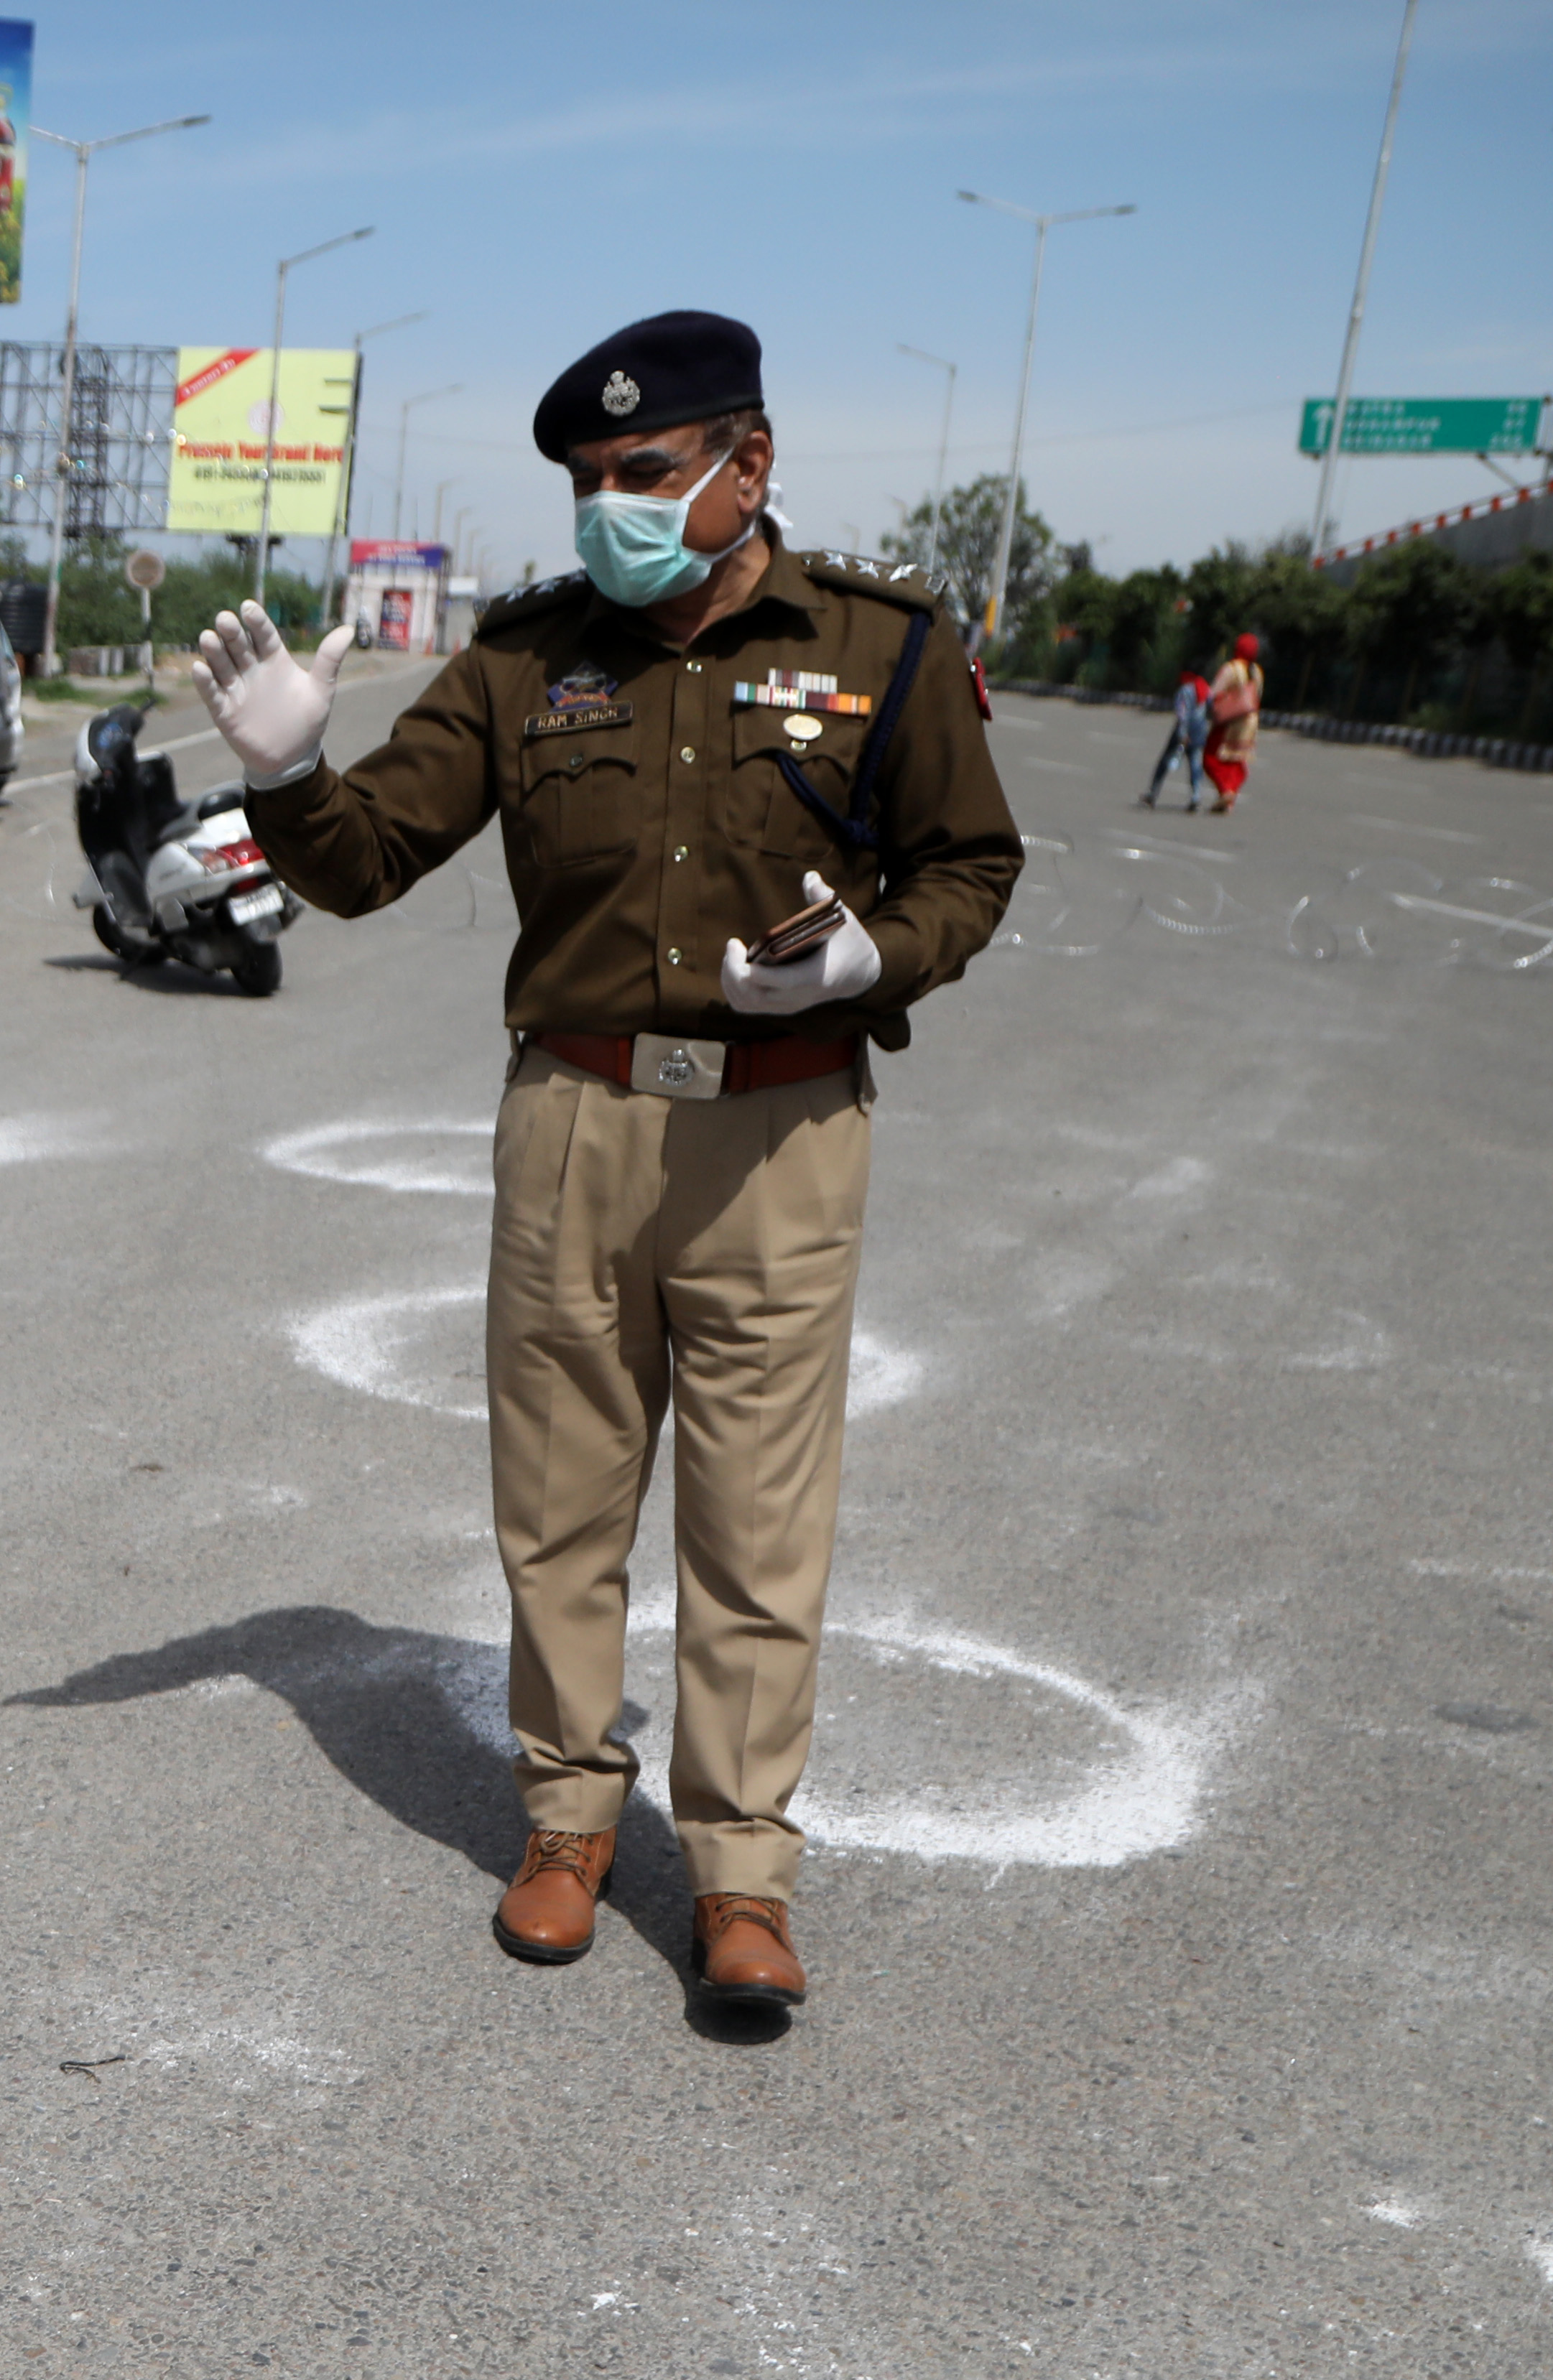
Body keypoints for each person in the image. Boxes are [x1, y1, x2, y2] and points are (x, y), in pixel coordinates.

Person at [187, 312, 1024, 2016]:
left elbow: (972, 863)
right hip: (574, 1120)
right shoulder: (527, 657)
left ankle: (740, 1872)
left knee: (757, 1524)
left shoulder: (884, 644)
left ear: (749, 463)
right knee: (561, 1504)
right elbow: (367, 860)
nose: (607, 510)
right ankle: (568, 1820)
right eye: (585, 481)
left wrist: (872, 958)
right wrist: (289, 772)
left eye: (642, 472)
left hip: (782, 1133)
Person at [1201, 633, 1264, 812]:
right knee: (1236, 760)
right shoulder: (1257, 671)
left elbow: (1213, 693)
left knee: (1211, 757)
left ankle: (1226, 790)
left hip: (1229, 721)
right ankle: (1229, 798)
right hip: (1249, 721)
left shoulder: (1232, 668)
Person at [1141, 659, 1212, 810]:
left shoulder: (1185, 690)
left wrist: (1182, 733)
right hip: (1199, 731)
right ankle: (1196, 795)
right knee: (1195, 764)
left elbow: (1182, 714)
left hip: (1184, 732)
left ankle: (1153, 793)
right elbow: (1210, 707)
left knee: (1165, 761)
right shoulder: (1205, 688)